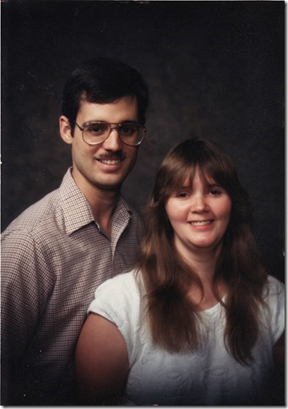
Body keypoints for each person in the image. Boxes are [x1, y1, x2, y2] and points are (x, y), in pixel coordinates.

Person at [76, 138, 285, 406]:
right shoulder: (119, 305)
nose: (200, 206)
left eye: (214, 191)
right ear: (164, 208)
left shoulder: (273, 296)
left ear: (233, 203)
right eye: (183, 194)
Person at [1, 57, 149, 405]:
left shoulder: (140, 231)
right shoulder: (29, 243)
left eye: (127, 129)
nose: (114, 144)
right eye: (96, 128)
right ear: (67, 129)